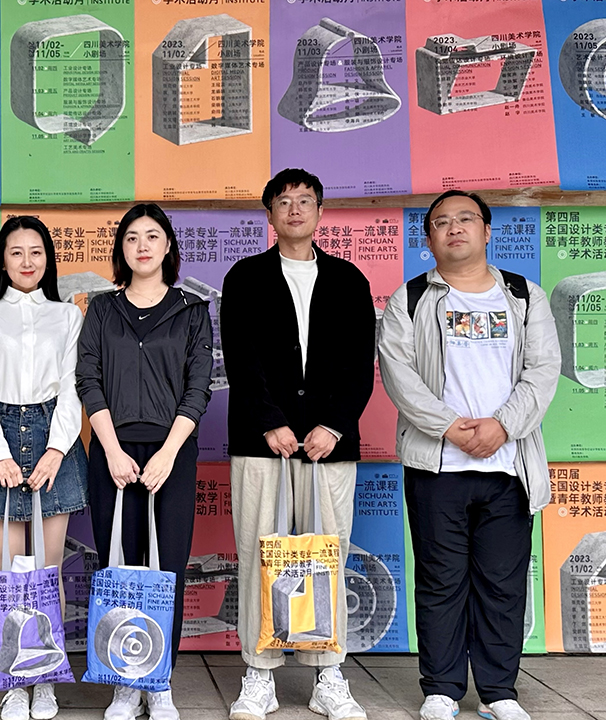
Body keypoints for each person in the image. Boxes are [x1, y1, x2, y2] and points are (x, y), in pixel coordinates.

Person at [378, 191, 560, 720]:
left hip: (509, 467)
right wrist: (451, 428)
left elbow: (543, 369)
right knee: (440, 581)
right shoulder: (411, 298)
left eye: (465, 219)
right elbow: (398, 373)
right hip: (438, 465)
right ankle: (441, 688)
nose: (454, 228)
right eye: (441, 222)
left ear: (486, 231)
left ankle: (499, 692)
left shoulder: (524, 296)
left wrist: (502, 426)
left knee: (503, 584)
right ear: (429, 238)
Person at [220, 168, 375, 720]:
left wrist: (332, 425)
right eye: (283, 201)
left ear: (320, 211)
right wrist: (270, 421)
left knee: (325, 555)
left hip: (329, 445)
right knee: (259, 554)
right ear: (269, 214)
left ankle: (328, 674)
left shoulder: (349, 280)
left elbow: (360, 363)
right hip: (262, 444)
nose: (294, 209)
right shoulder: (245, 277)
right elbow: (240, 358)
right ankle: (259, 673)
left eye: (304, 200)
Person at [76, 203, 213, 720]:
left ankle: (159, 680)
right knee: (120, 565)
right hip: (112, 453)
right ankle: (123, 681)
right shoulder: (102, 309)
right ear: (121, 248)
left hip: (170, 452)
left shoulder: (191, 310)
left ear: (168, 246)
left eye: (152, 236)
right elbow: (88, 378)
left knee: (165, 567)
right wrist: (111, 449)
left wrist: (169, 453)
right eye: (132, 237)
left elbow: (198, 388)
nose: (142, 246)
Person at [0, 216, 88, 720]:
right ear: (3, 260)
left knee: (48, 570)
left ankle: (46, 676)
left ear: (48, 259)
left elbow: (74, 387)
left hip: (54, 433)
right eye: (16, 252)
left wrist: (57, 449)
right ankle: (14, 677)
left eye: (36, 252)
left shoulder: (68, 316)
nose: (27, 261)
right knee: (6, 569)